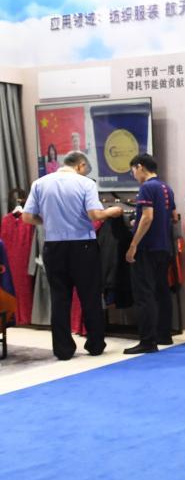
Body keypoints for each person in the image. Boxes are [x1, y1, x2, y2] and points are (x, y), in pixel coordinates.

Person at [21, 152, 123, 359]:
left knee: (60, 298)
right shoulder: (85, 184)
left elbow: (27, 217)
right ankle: (95, 344)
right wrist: (112, 211)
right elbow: (95, 214)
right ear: (80, 165)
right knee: (90, 296)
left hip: (53, 246)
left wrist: (47, 222)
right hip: (82, 246)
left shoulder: (39, 183)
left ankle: (63, 349)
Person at [123, 154, 176, 354]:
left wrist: (133, 244)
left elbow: (147, 217)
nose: (133, 175)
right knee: (162, 291)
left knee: (144, 294)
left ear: (140, 167)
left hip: (147, 247)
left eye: (133, 171)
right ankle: (164, 334)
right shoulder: (166, 188)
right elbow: (173, 216)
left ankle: (147, 341)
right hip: (163, 246)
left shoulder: (147, 188)